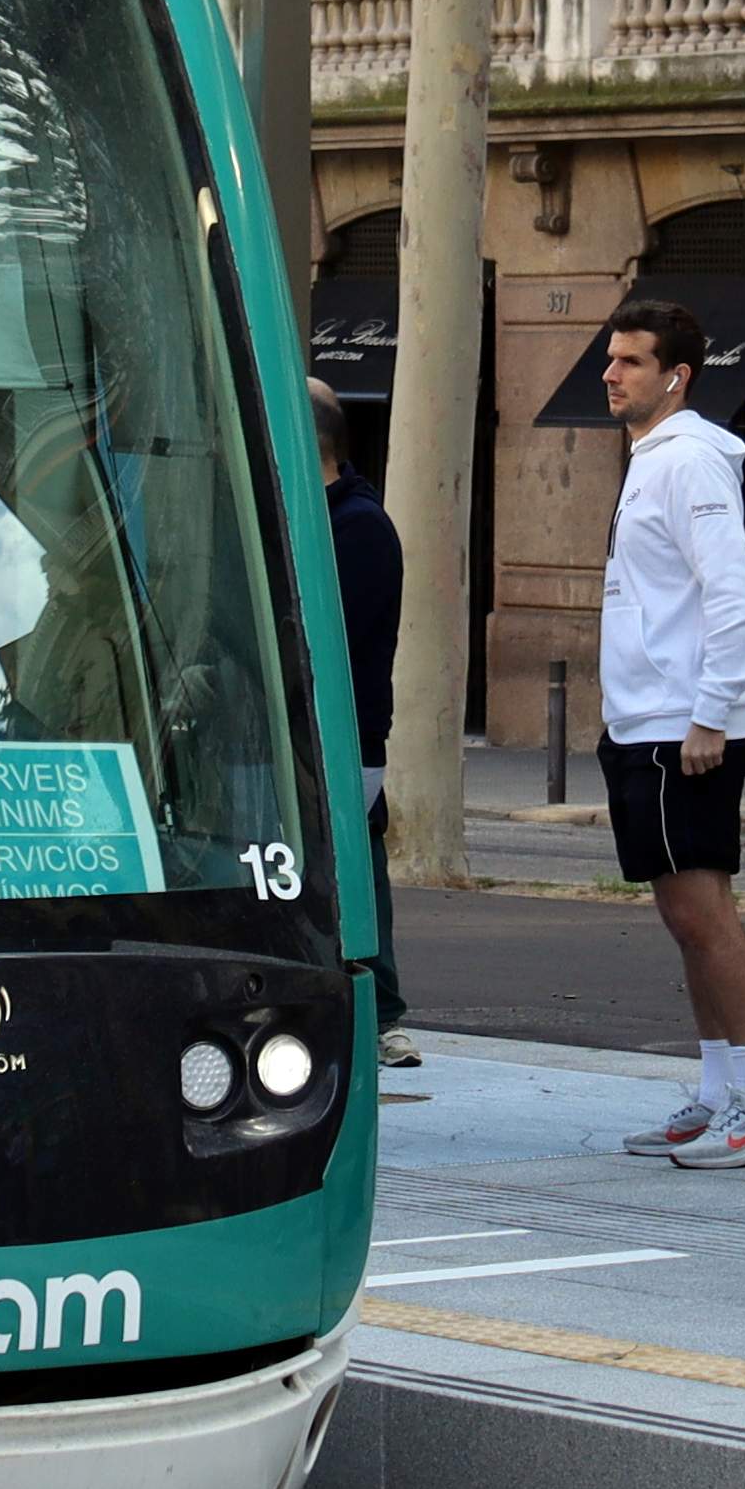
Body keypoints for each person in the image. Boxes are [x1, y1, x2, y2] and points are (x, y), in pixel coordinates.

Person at [592, 298, 745, 1165]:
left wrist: (714, 713)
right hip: (643, 718)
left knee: (703, 912)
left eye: (631, 361)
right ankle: (719, 1092)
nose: (611, 373)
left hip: (684, 725)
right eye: (611, 358)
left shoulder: (689, 463)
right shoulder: (650, 460)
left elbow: (731, 593)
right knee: (683, 916)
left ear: (674, 377)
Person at [312, 377, 416, 1069]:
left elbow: (333, 639)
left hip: (344, 733)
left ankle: (375, 1012)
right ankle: (376, 1010)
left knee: (347, 869)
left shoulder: (355, 527)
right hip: (340, 732)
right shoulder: (333, 514)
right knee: (356, 867)